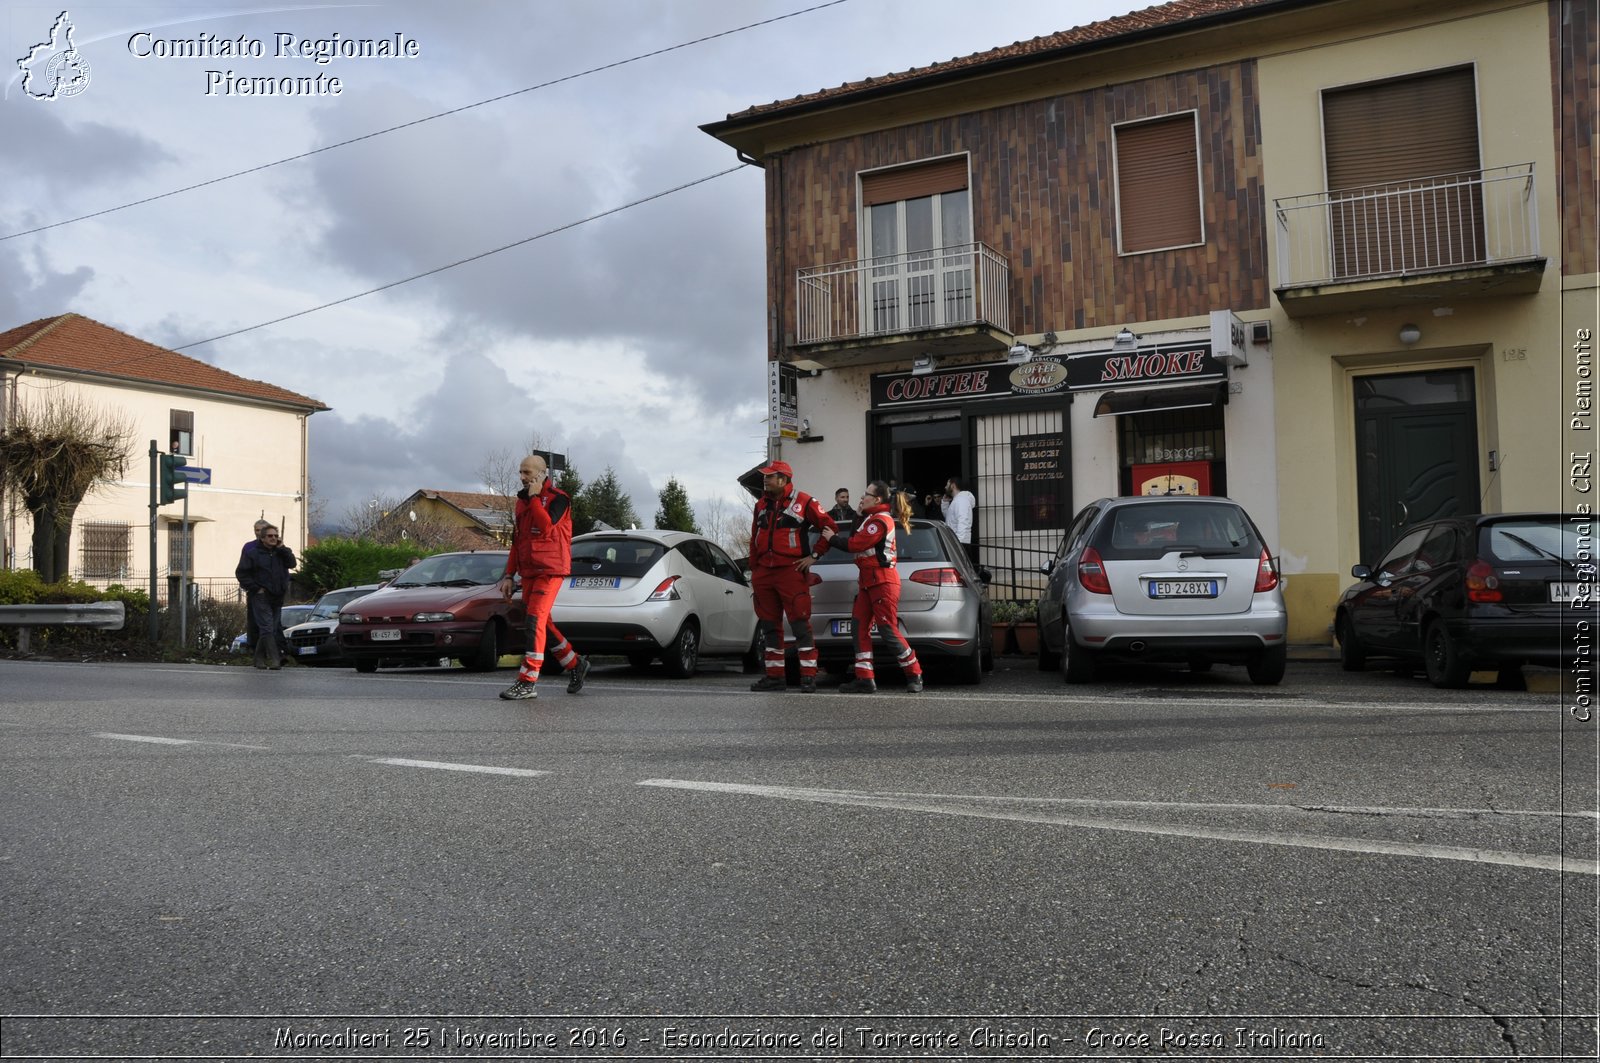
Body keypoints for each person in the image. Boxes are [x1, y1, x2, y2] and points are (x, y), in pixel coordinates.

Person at [497, 454, 591, 700]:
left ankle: (527, 681)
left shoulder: (559, 499)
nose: (522, 477)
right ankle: (575, 663)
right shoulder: (521, 502)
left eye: (527, 473)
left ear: (541, 474)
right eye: (520, 472)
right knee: (543, 624)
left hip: (550, 570)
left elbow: (547, 525)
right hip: (529, 572)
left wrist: (536, 497)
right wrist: (509, 575)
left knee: (535, 621)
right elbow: (518, 541)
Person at [748, 459, 837, 693]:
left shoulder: (805, 501)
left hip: (791, 571)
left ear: (784, 479)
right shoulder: (761, 505)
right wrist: (755, 570)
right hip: (764, 574)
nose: (765, 480)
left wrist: (815, 556)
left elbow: (830, 528)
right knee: (769, 626)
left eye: (770, 476)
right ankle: (775, 677)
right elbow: (754, 538)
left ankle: (808, 677)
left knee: (799, 625)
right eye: (765, 476)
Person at [827, 480, 924, 693]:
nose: (862, 497)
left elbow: (855, 544)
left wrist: (831, 539)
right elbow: (855, 536)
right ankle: (864, 678)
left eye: (866, 494)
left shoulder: (880, 520)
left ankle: (914, 673)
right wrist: (860, 514)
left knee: (887, 629)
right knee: (858, 627)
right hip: (868, 582)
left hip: (882, 582)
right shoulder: (870, 518)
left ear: (877, 499)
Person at [235, 523, 297, 670]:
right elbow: (241, 573)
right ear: (262, 538)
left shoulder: (281, 553)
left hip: (277, 596)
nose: (273, 538)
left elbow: (292, 563)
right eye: (270, 536)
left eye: (276, 536)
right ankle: (275, 659)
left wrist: (283, 548)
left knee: (272, 628)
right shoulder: (253, 553)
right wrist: (256, 588)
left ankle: (258, 659)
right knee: (267, 627)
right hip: (261, 596)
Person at [943, 476, 978, 569]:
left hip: (960, 544)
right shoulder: (957, 500)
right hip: (957, 542)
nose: (945, 487)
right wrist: (945, 503)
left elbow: (963, 522)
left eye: (947, 484)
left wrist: (958, 543)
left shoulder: (961, 500)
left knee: (962, 570)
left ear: (953, 485)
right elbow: (950, 519)